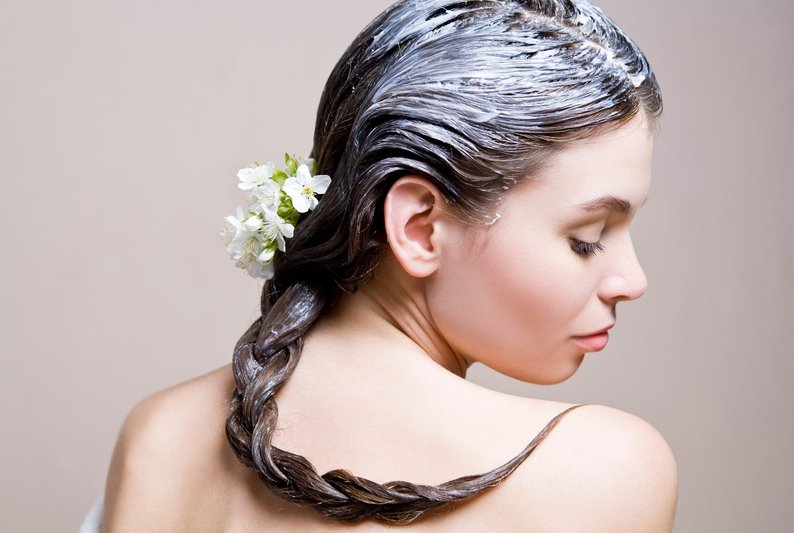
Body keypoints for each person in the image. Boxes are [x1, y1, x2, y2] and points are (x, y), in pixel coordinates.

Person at [83, 0, 679, 530]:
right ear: (420, 227)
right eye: (587, 237)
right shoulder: (599, 468)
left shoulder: (159, 434)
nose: (634, 280)